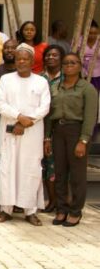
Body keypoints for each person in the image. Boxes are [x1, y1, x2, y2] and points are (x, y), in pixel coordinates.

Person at [0, 44, 51, 226]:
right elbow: (0, 104)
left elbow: (45, 107)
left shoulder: (41, 81)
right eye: (18, 59)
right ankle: (6, 210)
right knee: (7, 168)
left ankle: (30, 211)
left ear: (33, 61)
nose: (22, 62)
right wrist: (18, 117)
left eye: (25, 59)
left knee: (31, 169)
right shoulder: (6, 80)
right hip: (10, 131)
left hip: (32, 132)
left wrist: (26, 121)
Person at [45, 52, 98, 227]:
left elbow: (90, 117)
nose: (69, 66)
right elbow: (48, 114)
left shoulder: (86, 88)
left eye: (73, 63)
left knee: (77, 174)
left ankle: (75, 211)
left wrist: (83, 141)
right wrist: (47, 137)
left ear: (80, 66)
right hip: (58, 131)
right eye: (66, 63)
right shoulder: (56, 87)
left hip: (77, 131)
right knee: (59, 172)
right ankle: (62, 209)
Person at [40, 45, 66, 213]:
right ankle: (51, 201)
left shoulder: (67, 78)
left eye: (55, 55)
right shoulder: (40, 77)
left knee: (61, 166)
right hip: (40, 125)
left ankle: (63, 202)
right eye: (48, 55)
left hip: (60, 126)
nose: (51, 58)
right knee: (47, 164)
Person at [80, 20, 100, 91]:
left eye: (95, 33)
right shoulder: (79, 41)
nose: (93, 36)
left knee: (94, 93)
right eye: (90, 33)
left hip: (97, 74)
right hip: (82, 73)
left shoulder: (99, 41)